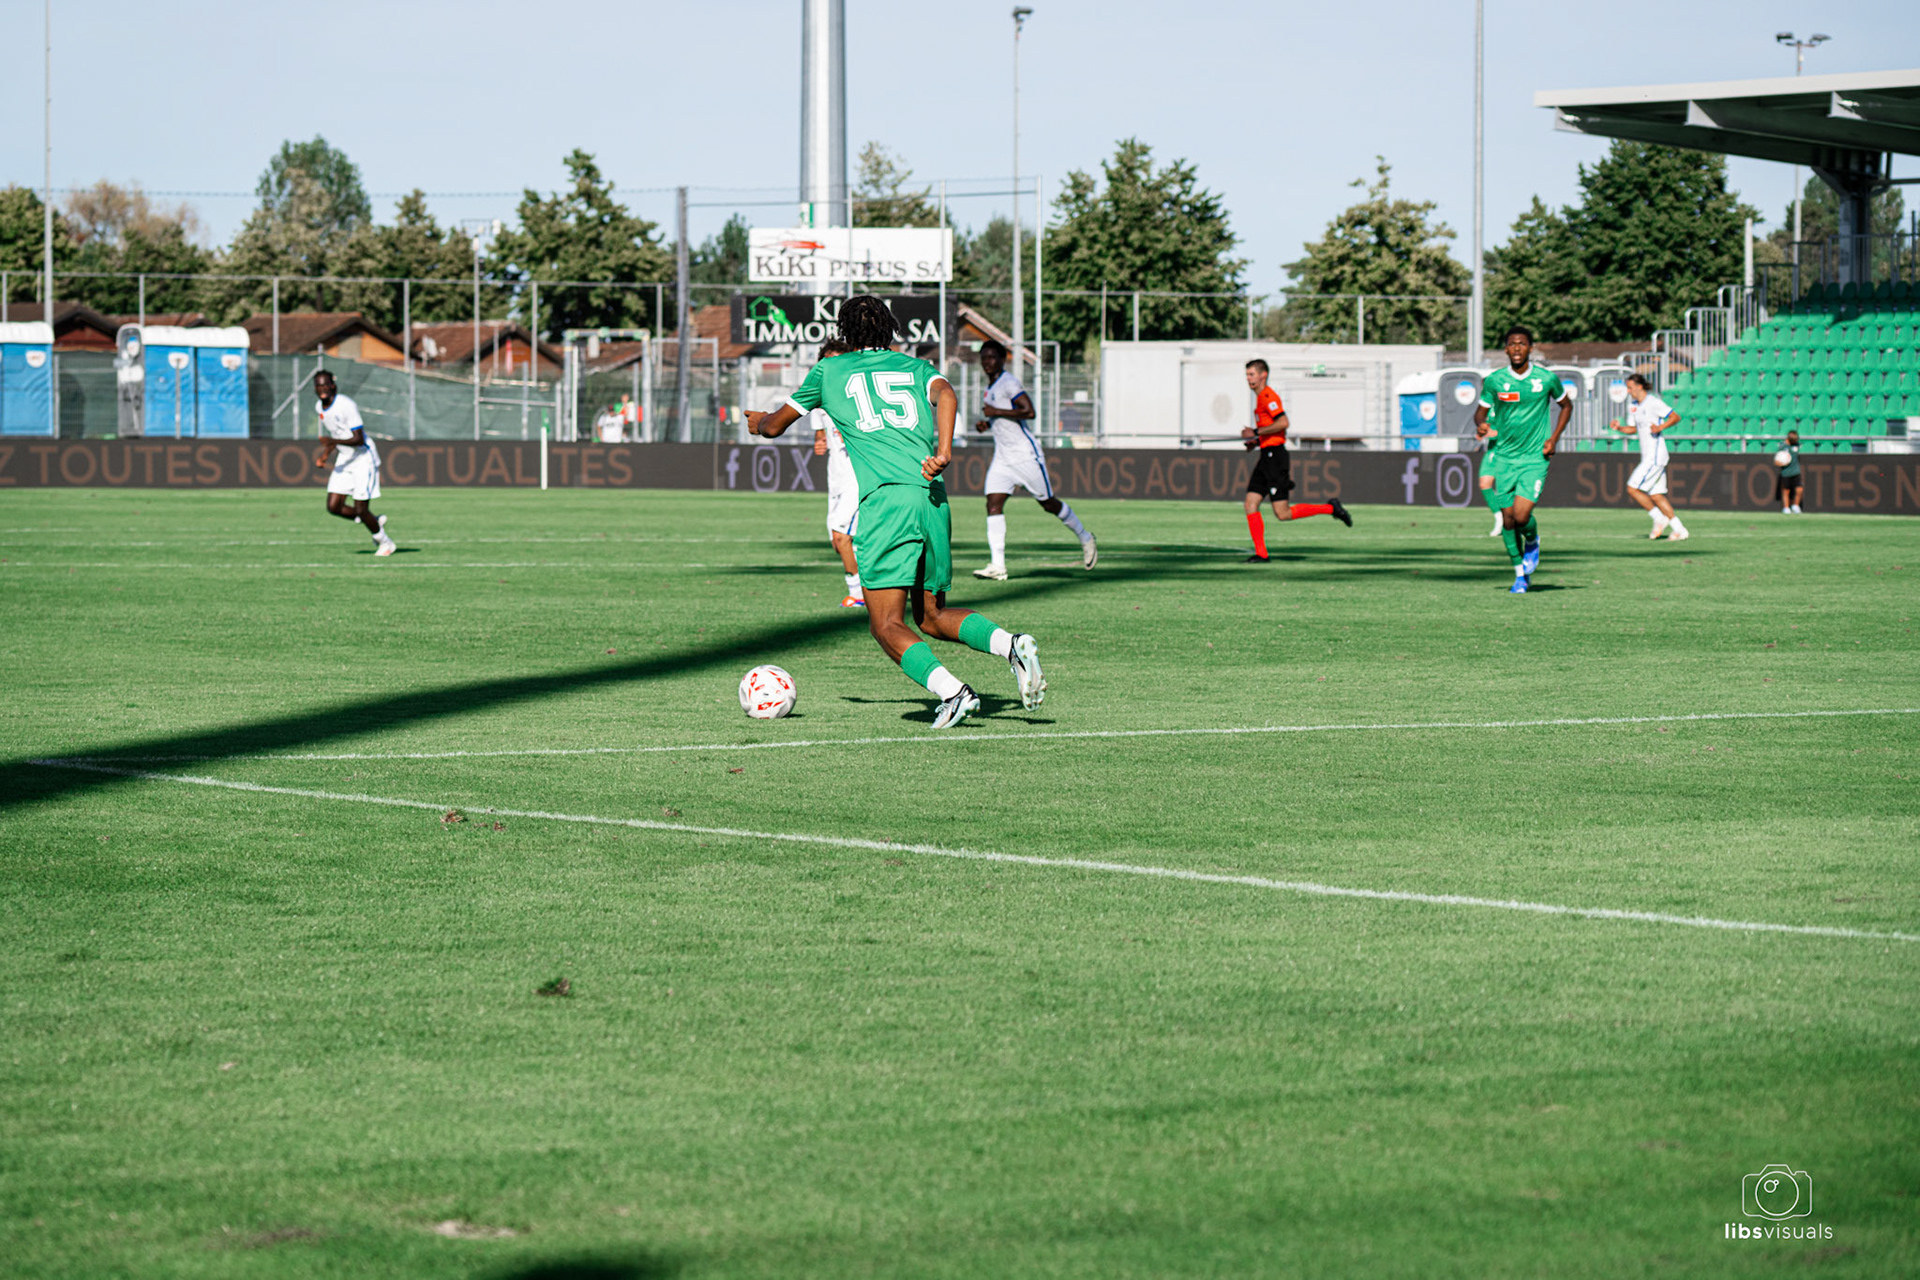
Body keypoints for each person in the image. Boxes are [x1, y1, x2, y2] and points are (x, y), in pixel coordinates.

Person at [746, 296, 1045, 730]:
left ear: (846, 333)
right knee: (931, 617)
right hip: (931, 497)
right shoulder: (917, 368)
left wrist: (758, 421)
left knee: (885, 624)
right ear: (890, 329)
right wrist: (944, 452)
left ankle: (954, 692)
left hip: (888, 503)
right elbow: (947, 394)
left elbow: (774, 426)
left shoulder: (830, 370)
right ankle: (1011, 645)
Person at [970, 338, 1097, 580]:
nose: (987, 361)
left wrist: (996, 412)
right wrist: (987, 423)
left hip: (1024, 455)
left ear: (1002, 359)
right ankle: (998, 565)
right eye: (984, 357)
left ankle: (1085, 537)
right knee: (993, 504)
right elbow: (1004, 418)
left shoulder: (1008, 382)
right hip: (1003, 457)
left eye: (992, 357)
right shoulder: (991, 386)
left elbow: (1029, 411)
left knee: (1048, 503)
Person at [1473, 327, 1571, 593]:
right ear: (1506, 349)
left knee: (1521, 515)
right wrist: (1481, 424)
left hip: (1534, 458)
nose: (1517, 348)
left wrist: (1554, 438)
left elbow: (1566, 406)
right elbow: (1480, 413)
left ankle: (1532, 539)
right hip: (1504, 458)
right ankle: (1520, 575)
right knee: (1507, 520)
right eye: (1512, 344)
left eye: (1522, 343)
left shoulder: (1546, 379)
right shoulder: (1495, 381)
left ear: (1531, 348)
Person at [1239, 358, 1351, 562]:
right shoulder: (1260, 399)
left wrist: (1255, 432)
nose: (1248, 378)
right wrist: (1255, 442)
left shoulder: (1268, 396)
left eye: (1251, 374)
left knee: (1283, 513)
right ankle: (1261, 554)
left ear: (1263, 375)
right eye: (1247, 374)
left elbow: (1283, 422)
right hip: (1266, 455)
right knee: (1250, 504)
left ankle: (1330, 508)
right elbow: (1271, 430)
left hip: (1275, 457)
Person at [312, 370, 396, 556]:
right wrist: (325, 455)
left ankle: (386, 543)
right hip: (345, 458)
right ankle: (374, 521)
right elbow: (336, 434)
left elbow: (358, 439)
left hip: (363, 459)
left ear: (332, 386)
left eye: (325, 385)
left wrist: (332, 442)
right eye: (318, 385)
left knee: (361, 509)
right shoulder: (320, 407)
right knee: (333, 507)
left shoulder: (346, 405)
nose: (322, 388)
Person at [808, 338, 865, 607]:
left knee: (842, 535)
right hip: (836, 476)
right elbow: (821, 435)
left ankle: (858, 594)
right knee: (837, 540)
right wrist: (820, 443)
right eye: (827, 361)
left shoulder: (857, 396)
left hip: (856, 475)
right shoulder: (819, 397)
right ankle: (867, 590)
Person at [1609, 373, 1688, 541]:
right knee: (1656, 495)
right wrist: (1619, 428)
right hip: (1648, 456)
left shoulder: (1653, 402)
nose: (1628, 391)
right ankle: (1680, 530)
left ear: (1639, 387)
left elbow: (1675, 417)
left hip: (1655, 456)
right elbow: (1634, 428)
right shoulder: (1633, 406)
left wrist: (1660, 427)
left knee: (1632, 488)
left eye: (1630, 388)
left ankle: (1658, 518)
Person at [1776, 430, 1803, 514]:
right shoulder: (1782, 446)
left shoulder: (1796, 445)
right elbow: (1777, 459)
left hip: (1796, 471)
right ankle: (1786, 508)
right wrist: (1779, 462)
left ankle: (1795, 506)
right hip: (1786, 472)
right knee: (1786, 491)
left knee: (1799, 489)